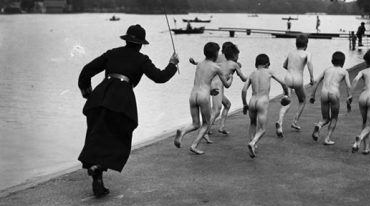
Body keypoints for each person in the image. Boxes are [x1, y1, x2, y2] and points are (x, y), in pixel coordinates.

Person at [78, 24, 179, 197]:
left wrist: (86, 89)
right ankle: (100, 166)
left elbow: (87, 69)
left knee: (96, 137)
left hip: (100, 97)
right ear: (141, 44)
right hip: (121, 102)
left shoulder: (112, 53)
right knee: (119, 139)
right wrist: (172, 64)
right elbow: (160, 77)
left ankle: (97, 174)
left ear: (126, 40)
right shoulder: (142, 59)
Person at [174, 42, 232, 155]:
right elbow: (227, 85)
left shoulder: (199, 64)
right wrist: (231, 78)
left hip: (193, 95)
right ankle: (194, 145)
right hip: (203, 96)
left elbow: (201, 82)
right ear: (215, 54)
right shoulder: (216, 67)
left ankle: (182, 131)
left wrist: (210, 91)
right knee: (206, 124)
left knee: (195, 124)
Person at [189, 42, 248, 137]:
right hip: (217, 85)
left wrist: (195, 62)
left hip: (214, 84)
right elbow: (243, 77)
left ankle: (221, 127)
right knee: (216, 110)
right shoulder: (229, 60)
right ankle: (206, 131)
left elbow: (208, 63)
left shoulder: (221, 59)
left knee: (227, 104)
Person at [241, 54, 289, 158]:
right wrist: (286, 94)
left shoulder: (252, 73)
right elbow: (283, 83)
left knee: (252, 123)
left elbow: (244, 90)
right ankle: (253, 143)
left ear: (256, 64)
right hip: (262, 102)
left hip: (252, 101)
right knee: (262, 129)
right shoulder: (269, 72)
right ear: (267, 64)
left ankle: (253, 144)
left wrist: (244, 104)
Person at [275, 34, 314, 137]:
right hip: (298, 79)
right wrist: (311, 77)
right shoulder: (307, 53)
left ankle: (280, 122)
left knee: (287, 102)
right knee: (303, 100)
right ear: (306, 44)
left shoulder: (291, 53)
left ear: (296, 43)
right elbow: (309, 64)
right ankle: (295, 121)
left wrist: (292, 68)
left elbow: (284, 65)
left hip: (287, 78)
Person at [309, 51, 352, 145]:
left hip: (324, 93)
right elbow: (348, 86)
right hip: (334, 93)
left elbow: (316, 82)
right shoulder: (344, 72)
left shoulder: (326, 70)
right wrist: (349, 97)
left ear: (332, 60)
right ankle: (327, 138)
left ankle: (319, 125)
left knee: (325, 118)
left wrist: (312, 95)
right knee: (334, 118)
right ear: (343, 62)